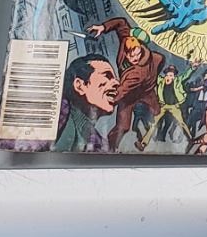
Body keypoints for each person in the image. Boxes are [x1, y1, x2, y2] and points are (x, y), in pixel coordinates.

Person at [87, 16, 165, 152]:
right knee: (123, 126)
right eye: (132, 56)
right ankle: (110, 148)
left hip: (145, 91)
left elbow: (121, 91)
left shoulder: (137, 73)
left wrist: (101, 98)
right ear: (126, 50)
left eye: (138, 54)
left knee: (158, 113)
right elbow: (121, 23)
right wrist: (103, 27)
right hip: (129, 96)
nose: (135, 58)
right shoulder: (126, 40)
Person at [56, 53, 119, 152]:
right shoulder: (58, 113)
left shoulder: (98, 144)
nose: (117, 83)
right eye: (107, 76)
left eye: (115, 79)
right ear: (80, 86)